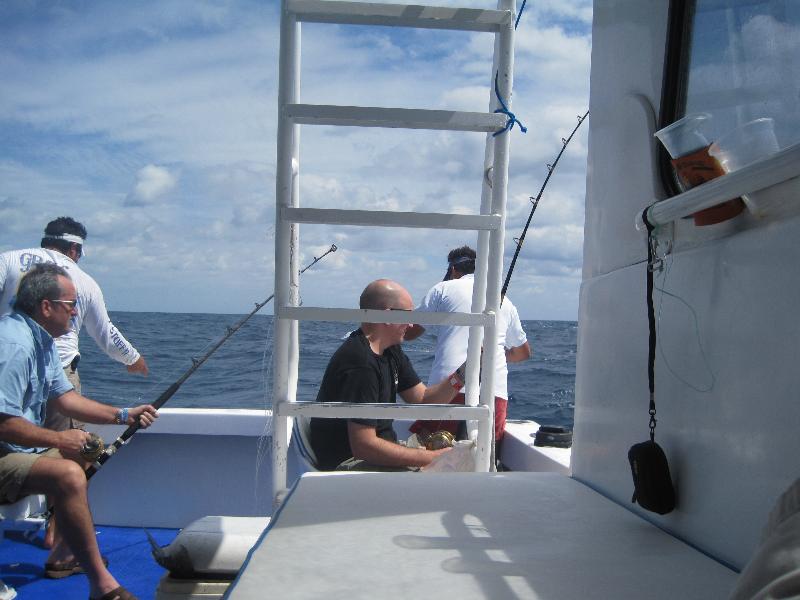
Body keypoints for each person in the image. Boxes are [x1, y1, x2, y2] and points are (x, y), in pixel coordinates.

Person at [0, 263, 157, 600]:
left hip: (13, 451)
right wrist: (59, 438)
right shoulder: (14, 345)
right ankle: (102, 586)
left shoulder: (41, 341)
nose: (75, 312)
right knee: (69, 475)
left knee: (82, 454)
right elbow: (3, 423)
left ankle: (63, 552)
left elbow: (66, 399)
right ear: (46, 307)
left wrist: (124, 415)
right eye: (71, 305)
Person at [0, 216, 148, 433]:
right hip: (59, 368)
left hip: (13, 364)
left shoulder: (7, 260)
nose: (74, 311)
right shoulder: (85, 281)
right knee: (66, 446)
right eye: (71, 305)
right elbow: (105, 331)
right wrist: (132, 358)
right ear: (73, 249)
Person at [309, 279, 466, 471]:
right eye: (407, 315)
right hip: (347, 462)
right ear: (388, 316)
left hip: (372, 454)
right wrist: (432, 458)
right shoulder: (360, 363)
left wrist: (465, 371)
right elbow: (363, 446)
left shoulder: (390, 351)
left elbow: (423, 399)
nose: (411, 324)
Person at [404, 245, 531, 446]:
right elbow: (522, 352)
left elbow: (409, 332)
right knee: (484, 457)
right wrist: (490, 354)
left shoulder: (443, 288)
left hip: (447, 392)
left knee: (433, 454)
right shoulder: (504, 301)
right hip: (494, 396)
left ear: (453, 270)